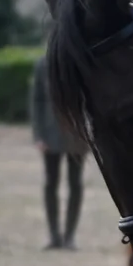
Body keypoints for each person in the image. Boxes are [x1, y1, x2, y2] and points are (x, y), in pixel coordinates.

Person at [28, 52, 86, 250]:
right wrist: (38, 135)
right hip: (50, 135)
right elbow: (36, 101)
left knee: (75, 184)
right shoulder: (43, 64)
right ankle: (54, 235)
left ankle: (69, 236)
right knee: (50, 184)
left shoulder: (80, 62)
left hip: (77, 135)